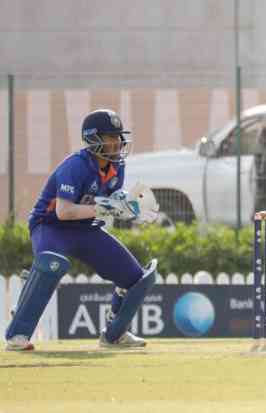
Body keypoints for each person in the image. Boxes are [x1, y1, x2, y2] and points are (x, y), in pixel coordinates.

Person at [4, 109, 158, 351]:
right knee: (51, 264)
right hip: (51, 226)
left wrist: (127, 207)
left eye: (118, 136)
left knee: (135, 278)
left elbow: (108, 203)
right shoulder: (75, 166)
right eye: (110, 137)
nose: (117, 142)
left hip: (85, 228)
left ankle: (115, 334)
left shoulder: (117, 167)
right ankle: (18, 335)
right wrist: (106, 206)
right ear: (93, 138)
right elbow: (63, 212)